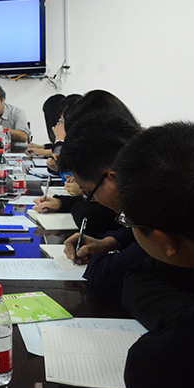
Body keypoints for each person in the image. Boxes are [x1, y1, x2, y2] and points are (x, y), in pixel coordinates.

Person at [115, 122, 194, 388]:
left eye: (127, 221)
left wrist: (188, 325)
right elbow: (139, 275)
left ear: (166, 242)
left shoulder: (164, 365)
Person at [52, 113, 145, 301]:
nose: (91, 199)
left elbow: (103, 278)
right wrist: (109, 242)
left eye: (88, 192)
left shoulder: (161, 211)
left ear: (111, 179)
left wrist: (98, 258)